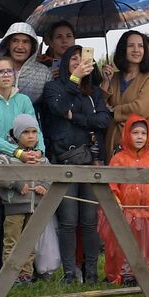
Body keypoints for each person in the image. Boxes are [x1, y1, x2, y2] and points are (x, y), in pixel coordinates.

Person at [43, 45, 112, 284]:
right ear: (64, 64)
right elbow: (59, 108)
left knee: (90, 221)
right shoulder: (54, 87)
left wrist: (77, 118)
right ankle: (70, 273)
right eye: (72, 59)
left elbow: (103, 120)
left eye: (82, 58)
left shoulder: (94, 92)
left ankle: (92, 273)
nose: (78, 62)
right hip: (64, 160)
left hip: (91, 162)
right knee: (69, 221)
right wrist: (74, 80)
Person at [0, 55, 45, 281]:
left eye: (9, 71)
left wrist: (39, 152)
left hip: (24, 165)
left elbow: (36, 128)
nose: (6, 76)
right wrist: (18, 153)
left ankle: (23, 271)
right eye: (0, 72)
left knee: (23, 219)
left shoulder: (23, 99)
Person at [104, 115, 149, 284]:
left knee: (146, 245)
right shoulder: (118, 159)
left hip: (147, 214)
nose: (140, 136)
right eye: (135, 132)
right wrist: (115, 199)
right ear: (127, 134)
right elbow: (112, 183)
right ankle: (125, 274)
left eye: (143, 133)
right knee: (123, 244)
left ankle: (143, 273)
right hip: (125, 212)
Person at [0, 114, 50, 285]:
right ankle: (10, 274)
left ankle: (25, 274)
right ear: (17, 135)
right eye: (26, 132)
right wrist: (16, 184)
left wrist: (45, 186)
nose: (31, 136)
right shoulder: (7, 157)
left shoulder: (43, 159)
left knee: (30, 241)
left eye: (34, 132)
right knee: (12, 241)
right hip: (15, 207)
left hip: (35, 206)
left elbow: (51, 176)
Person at [102, 30, 149, 156]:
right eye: (130, 46)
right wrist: (106, 82)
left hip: (140, 149)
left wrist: (113, 112)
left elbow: (141, 109)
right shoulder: (114, 77)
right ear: (123, 49)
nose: (136, 50)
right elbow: (100, 108)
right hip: (114, 146)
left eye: (140, 46)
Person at [0, 23, 52, 108]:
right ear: (8, 44)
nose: (20, 46)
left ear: (32, 46)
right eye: (15, 41)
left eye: (25, 42)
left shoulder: (45, 74)